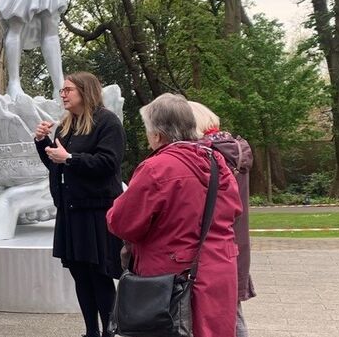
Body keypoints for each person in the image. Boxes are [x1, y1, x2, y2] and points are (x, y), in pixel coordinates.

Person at [107, 93, 242, 337]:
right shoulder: (217, 161)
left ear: (157, 134)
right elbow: (234, 210)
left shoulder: (157, 167)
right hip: (218, 270)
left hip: (171, 277)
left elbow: (122, 223)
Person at [32, 72, 124, 337]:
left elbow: (108, 163)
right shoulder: (66, 125)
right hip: (71, 210)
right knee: (80, 275)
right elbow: (56, 164)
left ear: (85, 91)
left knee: (100, 275)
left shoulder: (107, 122)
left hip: (96, 211)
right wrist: (42, 144)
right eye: (62, 91)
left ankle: (110, 332)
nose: (63, 95)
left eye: (68, 90)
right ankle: (91, 332)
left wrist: (70, 157)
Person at [190, 101, 255, 337]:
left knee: (222, 316)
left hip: (212, 244)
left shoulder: (207, 155)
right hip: (234, 242)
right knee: (231, 312)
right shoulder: (232, 150)